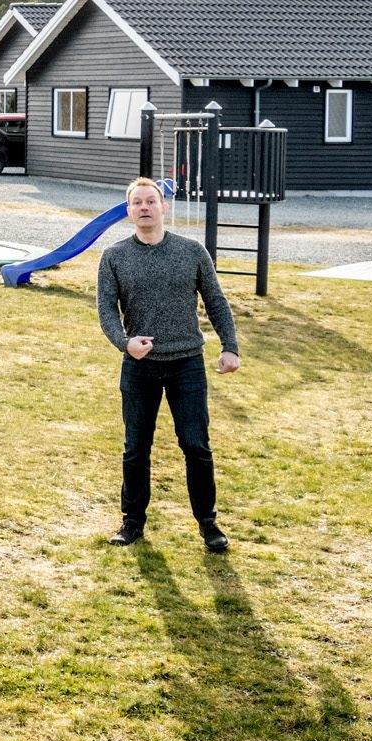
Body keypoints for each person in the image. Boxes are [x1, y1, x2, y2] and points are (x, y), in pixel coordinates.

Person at [97, 175, 242, 552]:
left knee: (196, 445)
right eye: (137, 203)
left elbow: (216, 301)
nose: (144, 208)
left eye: (151, 201)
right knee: (135, 448)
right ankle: (132, 523)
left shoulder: (192, 251)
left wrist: (230, 347)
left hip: (186, 364)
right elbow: (106, 312)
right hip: (139, 367)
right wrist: (125, 343)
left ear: (164, 207)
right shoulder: (113, 257)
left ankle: (208, 524)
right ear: (129, 211)